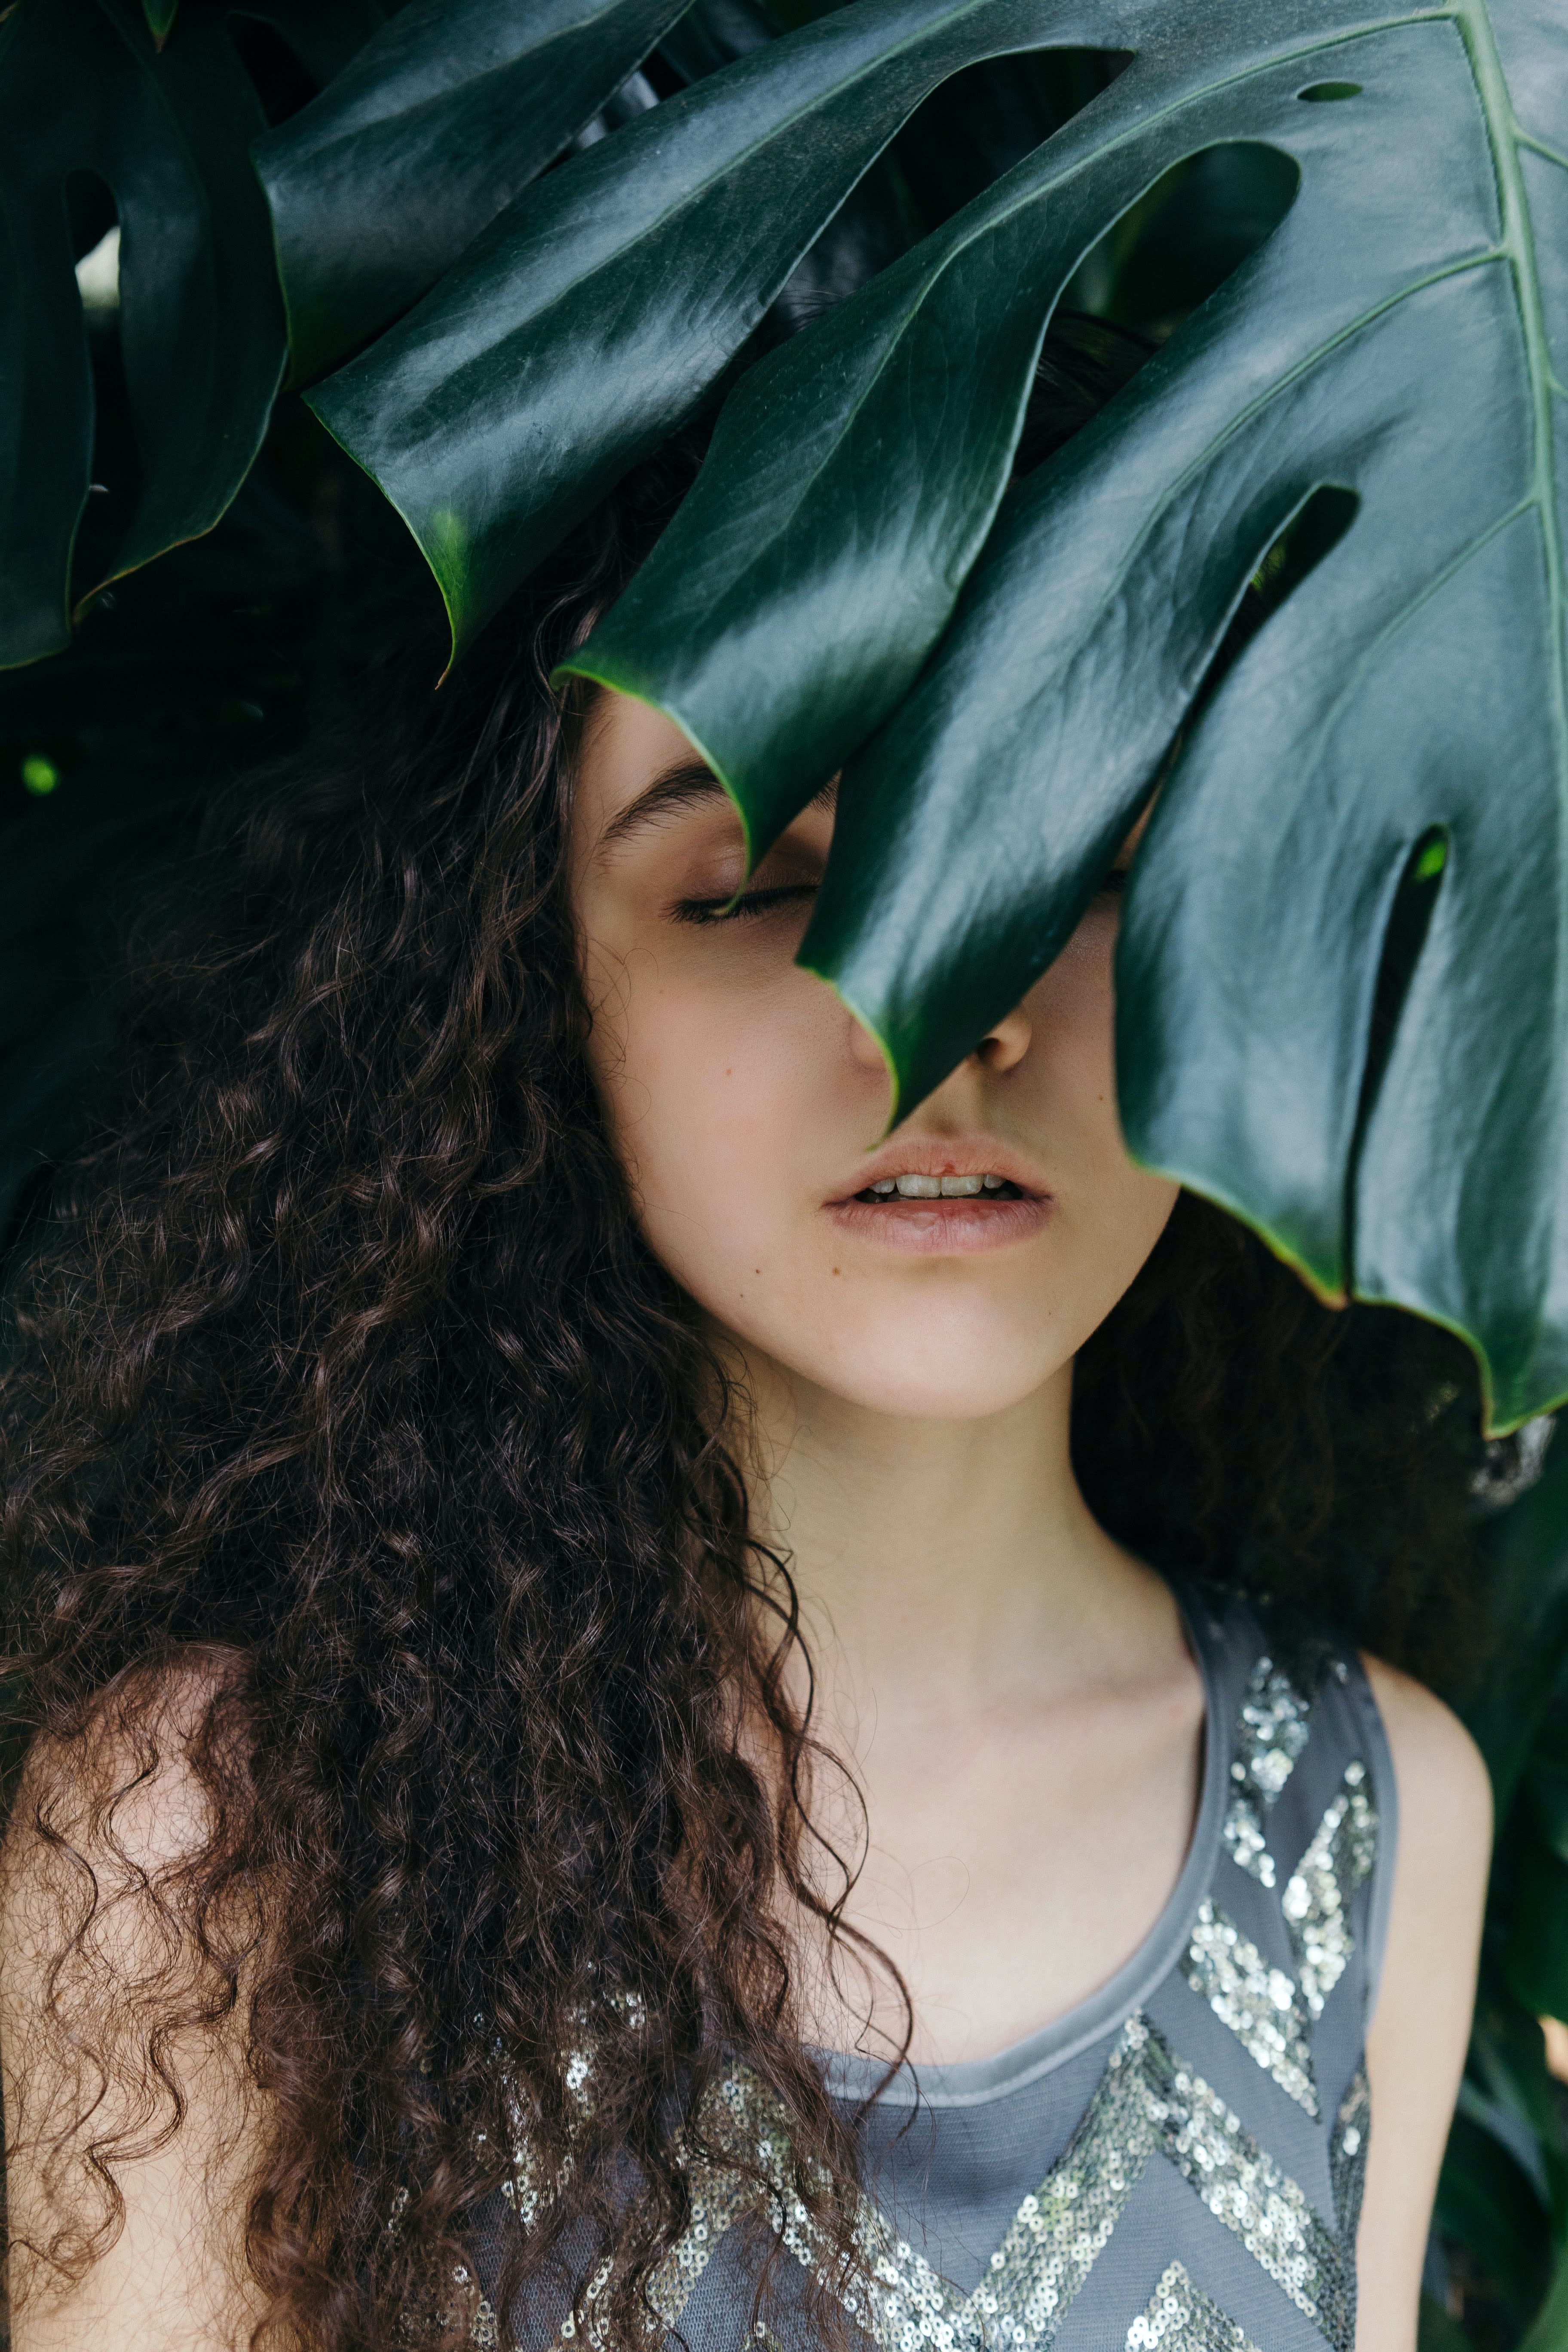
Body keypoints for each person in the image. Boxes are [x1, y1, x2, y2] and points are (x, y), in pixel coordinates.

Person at [0, 325, 1491, 2352]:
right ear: (531, 989)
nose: (941, 1013)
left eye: (1076, 869)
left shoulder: (1376, 1808)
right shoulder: (215, 1840)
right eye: (757, 890)